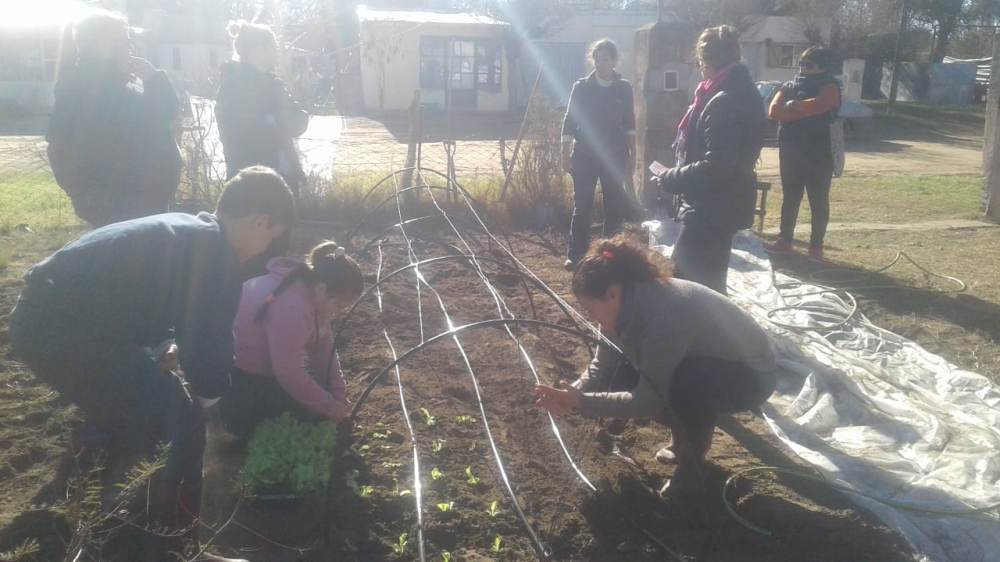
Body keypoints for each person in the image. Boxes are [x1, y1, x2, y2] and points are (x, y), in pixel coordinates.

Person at [8, 166, 295, 562]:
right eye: (268, 240)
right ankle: (173, 543)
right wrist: (213, 410)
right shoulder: (215, 254)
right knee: (180, 417)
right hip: (62, 327)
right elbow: (208, 345)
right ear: (260, 222)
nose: (262, 253)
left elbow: (140, 297)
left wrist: (160, 350)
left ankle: (100, 502)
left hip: (45, 316)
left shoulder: (189, 231)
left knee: (142, 403)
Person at [534, 234, 776, 496]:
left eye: (590, 309)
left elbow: (648, 401)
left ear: (612, 294)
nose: (590, 317)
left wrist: (581, 401)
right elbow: (601, 366)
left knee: (685, 383)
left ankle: (691, 468)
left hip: (750, 376)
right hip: (707, 358)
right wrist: (570, 393)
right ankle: (681, 438)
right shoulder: (623, 304)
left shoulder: (665, 316)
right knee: (624, 371)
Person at [653, 25, 765, 294]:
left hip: (711, 208)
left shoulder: (723, 101)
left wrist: (670, 177)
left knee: (683, 285)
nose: (699, 68)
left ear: (708, 60)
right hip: (726, 204)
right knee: (711, 283)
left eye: (700, 62)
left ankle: (699, 334)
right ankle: (713, 333)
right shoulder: (743, 92)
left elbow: (718, 166)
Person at [46, 10, 182, 227]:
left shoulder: (121, 82)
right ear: (102, 43)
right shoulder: (85, 89)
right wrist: (90, 199)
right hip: (121, 210)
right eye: (125, 41)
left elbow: (166, 115)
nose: (131, 48)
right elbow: (59, 147)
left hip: (144, 205)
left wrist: (155, 80)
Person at [220, 242, 364, 438]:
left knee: (312, 404)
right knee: (296, 419)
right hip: (237, 375)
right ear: (322, 289)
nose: (338, 312)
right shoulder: (291, 308)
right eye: (338, 304)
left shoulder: (313, 294)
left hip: (270, 368)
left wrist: (338, 397)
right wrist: (329, 407)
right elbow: (290, 374)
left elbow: (325, 353)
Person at [561, 38, 637, 271]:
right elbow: (570, 121)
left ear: (615, 61)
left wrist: (632, 156)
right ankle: (576, 255)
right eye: (598, 58)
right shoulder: (582, 87)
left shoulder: (623, 88)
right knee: (582, 205)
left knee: (613, 206)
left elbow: (629, 124)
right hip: (584, 155)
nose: (601, 63)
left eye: (607, 59)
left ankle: (608, 255)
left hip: (614, 155)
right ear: (593, 60)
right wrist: (564, 153)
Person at [215, 20, 309, 196]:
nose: (277, 53)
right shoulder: (267, 88)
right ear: (258, 50)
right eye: (273, 47)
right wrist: (302, 113)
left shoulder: (228, 84)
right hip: (272, 182)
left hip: (241, 180)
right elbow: (296, 123)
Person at [765, 46, 842, 261]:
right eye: (800, 63)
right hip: (791, 150)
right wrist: (799, 109)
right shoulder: (789, 85)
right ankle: (785, 240)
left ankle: (816, 247)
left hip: (819, 152)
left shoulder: (830, 86)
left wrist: (791, 107)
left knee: (818, 200)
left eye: (808, 64)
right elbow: (774, 111)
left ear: (822, 66)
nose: (802, 68)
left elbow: (820, 105)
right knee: (790, 197)